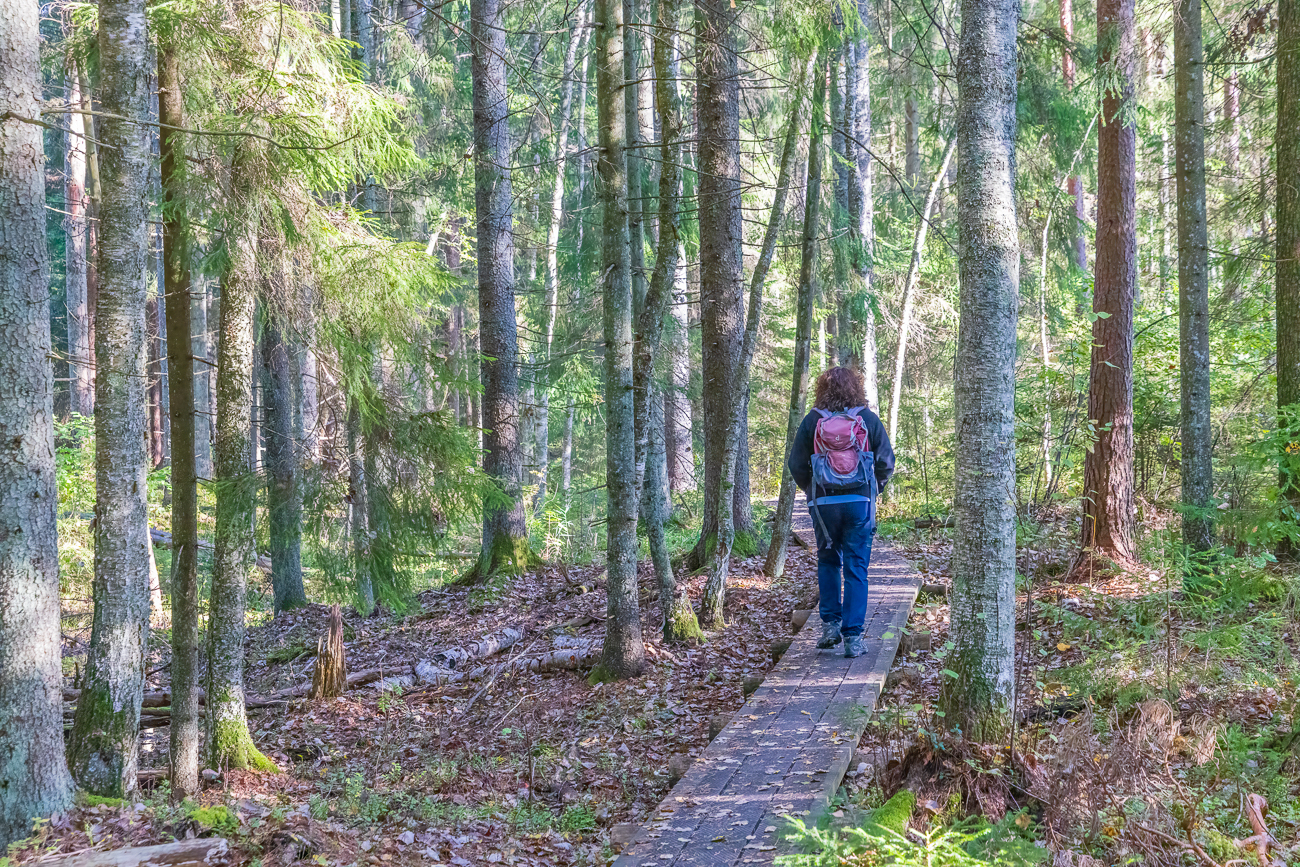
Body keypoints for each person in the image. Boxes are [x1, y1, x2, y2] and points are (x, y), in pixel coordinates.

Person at [787, 366, 894, 658]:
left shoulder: (813, 420)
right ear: (856, 388)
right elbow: (886, 462)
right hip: (859, 502)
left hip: (824, 506)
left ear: (822, 390)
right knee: (856, 568)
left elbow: (796, 464)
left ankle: (830, 627)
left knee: (828, 561)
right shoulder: (867, 419)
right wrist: (873, 490)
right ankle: (853, 639)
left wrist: (812, 491)